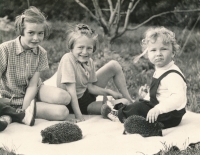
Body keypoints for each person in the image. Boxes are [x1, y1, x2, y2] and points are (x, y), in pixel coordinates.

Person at [0, 6, 71, 131]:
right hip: (11, 97)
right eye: (31, 33)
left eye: (40, 33)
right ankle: (13, 113)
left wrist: (25, 107)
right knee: (62, 112)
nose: (36, 38)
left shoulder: (41, 53)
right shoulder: (5, 49)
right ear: (21, 31)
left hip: (35, 93)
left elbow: (33, 85)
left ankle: (18, 113)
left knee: (65, 97)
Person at [106, 27, 187, 129]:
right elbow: (161, 93)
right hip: (161, 110)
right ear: (147, 54)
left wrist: (158, 109)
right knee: (141, 103)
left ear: (173, 53)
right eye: (153, 50)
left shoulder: (173, 75)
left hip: (169, 115)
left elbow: (178, 98)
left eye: (164, 49)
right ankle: (124, 110)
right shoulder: (161, 70)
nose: (158, 53)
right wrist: (147, 96)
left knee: (138, 107)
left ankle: (120, 115)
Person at [56, 23, 133, 122]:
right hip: (76, 103)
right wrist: (78, 116)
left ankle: (131, 101)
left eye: (89, 48)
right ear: (71, 47)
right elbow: (71, 92)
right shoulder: (68, 59)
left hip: (86, 94)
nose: (85, 52)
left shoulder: (89, 61)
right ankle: (114, 107)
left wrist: (109, 92)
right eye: (80, 47)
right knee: (123, 102)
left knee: (114, 65)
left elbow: (90, 87)